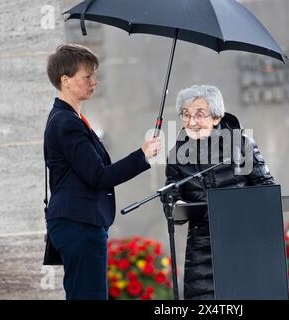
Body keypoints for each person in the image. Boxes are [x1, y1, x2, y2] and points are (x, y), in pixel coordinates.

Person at [44, 44, 161, 300]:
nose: (94, 82)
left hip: (78, 223)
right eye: (87, 77)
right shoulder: (66, 122)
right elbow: (98, 176)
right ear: (66, 81)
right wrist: (141, 156)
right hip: (80, 224)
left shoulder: (69, 118)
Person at [161, 84, 276, 300]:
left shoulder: (242, 144)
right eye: (186, 115)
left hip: (243, 242)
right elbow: (172, 196)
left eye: (199, 114)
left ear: (216, 117)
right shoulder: (177, 153)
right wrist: (173, 205)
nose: (191, 122)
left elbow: (266, 188)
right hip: (202, 247)